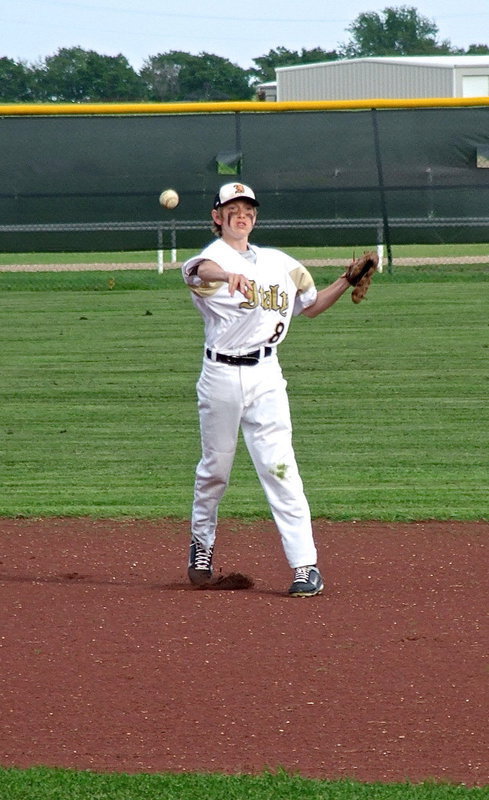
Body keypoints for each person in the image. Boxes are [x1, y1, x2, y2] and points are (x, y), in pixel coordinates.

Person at [181, 182, 352, 596]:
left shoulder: (281, 264)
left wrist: (346, 281)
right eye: (232, 208)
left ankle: (305, 566)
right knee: (215, 471)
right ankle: (201, 544)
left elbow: (309, 306)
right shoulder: (211, 258)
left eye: (248, 209)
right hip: (221, 378)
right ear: (217, 216)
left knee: (280, 468)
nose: (242, 215)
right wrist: (229, 274)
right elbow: (199, 271)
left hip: (267, 376)